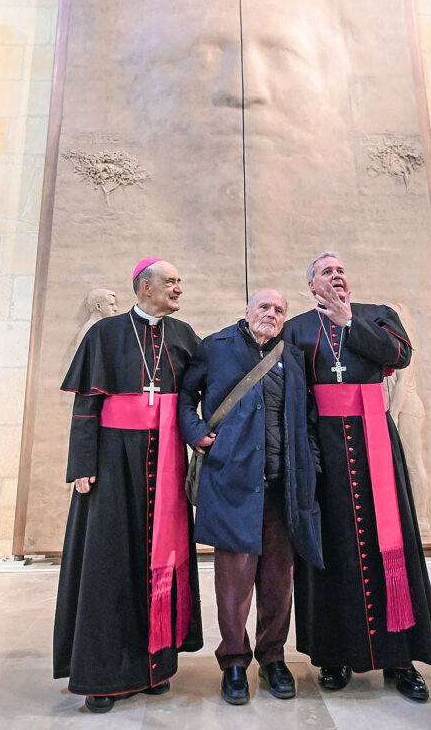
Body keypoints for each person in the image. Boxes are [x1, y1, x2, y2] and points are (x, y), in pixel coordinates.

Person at [282, 251, 431, 702]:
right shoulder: (296, 329)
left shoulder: (378, 315)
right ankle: (334, 655)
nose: (336, 276)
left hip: (375, 442)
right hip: (326, 449)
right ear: (311, 285)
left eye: (340, 270)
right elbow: (296, 393)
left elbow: (400, 355)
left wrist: (351, 321)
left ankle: (401, 658)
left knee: (389, 543)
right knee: (332, 545)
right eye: (325, 272)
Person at [53, 258, 203, 713]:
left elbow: (203, 393)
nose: (178, 289)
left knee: (161, 558)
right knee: (109, 563)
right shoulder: (106, 333)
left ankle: (155, 665)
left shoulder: (183, 336)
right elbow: (86, 405)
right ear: (144, 287)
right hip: (113, 462)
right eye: (171, 282)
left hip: (167, 463)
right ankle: (102, 675)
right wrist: (82, 462)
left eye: (180, 282)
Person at [178, 289, 323, 705]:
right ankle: (235, 662)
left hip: (282, 489)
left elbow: (308, 419)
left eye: (279, 310)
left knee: (279, 582)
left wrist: (310, 466)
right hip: (232, 484)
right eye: (264, 307)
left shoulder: (292, 357)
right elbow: (186, 397)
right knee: (234, 583)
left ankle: (274, 658)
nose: (271, 314)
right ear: (247, 310)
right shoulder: (216, 346)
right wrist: (195, 431)